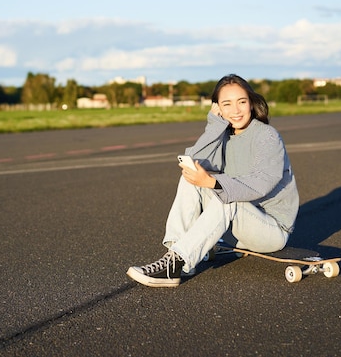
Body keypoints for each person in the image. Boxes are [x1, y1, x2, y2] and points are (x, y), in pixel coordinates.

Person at [126, 74, 299, 287]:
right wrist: (214, 125)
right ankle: (176, 253)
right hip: (240, 226)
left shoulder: (267, 136)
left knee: (225, 196)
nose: (235, 110)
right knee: (191, 176)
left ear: (251, 104)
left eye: (242, 102)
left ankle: (178, 261)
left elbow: (262, 182)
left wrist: (214, 184)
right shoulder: (223, 134)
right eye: (227, 104)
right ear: (218, 108)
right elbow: (197, 160)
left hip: (271, 229)